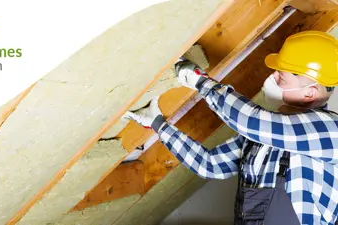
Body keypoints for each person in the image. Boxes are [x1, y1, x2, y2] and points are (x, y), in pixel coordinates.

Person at [123, 30, 338, 225]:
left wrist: (200, 82)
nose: (273, 77)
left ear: (309, 93)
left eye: (281, 76)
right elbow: (210, 164)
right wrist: (159, 125)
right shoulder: (261, 136)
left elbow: (250, 121)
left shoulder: (330, 130)